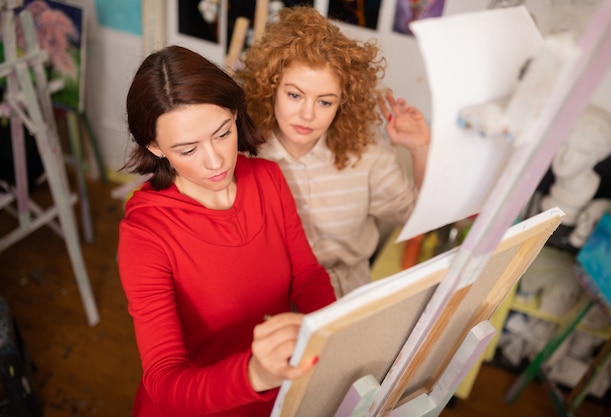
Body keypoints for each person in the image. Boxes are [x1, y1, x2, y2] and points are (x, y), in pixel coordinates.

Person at [117, 45, 336, 417]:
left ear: (235, 114)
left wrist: (338, 340)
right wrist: (253, 374)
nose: (216, 161)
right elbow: (165, 379)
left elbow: (307, 276)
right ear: (155, 147)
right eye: (188, 149)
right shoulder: (145, 234)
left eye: (222, 133)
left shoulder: (267, 178)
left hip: (276, 395)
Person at [236, 6, 431, 297]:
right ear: (270, 87)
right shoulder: (241, 157)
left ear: (343, 104)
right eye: (294, 95)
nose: (307, 114)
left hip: (346, 301)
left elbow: (419, 217)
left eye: (325, 102)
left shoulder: (367, 157)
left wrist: (420, 148)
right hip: (269, 304)